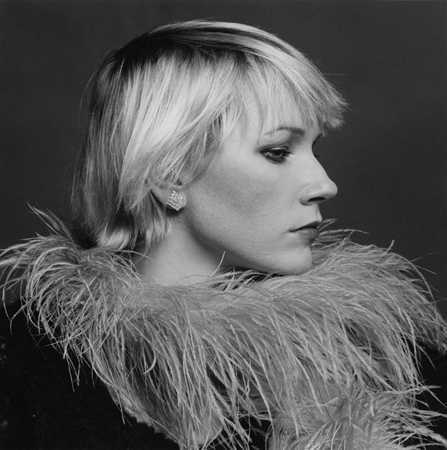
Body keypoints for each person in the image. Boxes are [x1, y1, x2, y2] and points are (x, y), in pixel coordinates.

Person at [1, 20, 447, 449]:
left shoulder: (388, 358)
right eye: (277, 151)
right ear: (169, 175)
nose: (324, 184)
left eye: (315, 148)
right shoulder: (32, 367)